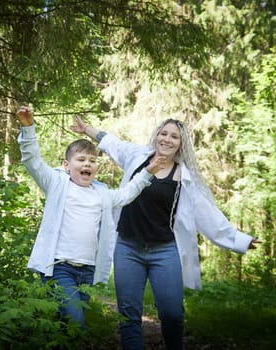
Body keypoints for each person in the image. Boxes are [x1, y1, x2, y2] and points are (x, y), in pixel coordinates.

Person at [71, 115, 260, 349]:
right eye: (163, 133)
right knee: (129, 315)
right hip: (128, 248)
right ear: (156, 135)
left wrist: (240, 240)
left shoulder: (184, 178)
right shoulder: (138, 156)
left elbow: (209, 216)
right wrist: (86, 129)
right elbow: (112, 142)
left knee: (172, 313)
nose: (167, 139)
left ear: (181, 144)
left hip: (164, 251)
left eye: (174, 136)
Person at [15, 106, 166, 330]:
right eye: (81, 160)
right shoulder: (56, 184)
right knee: (76, 324)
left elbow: (127, 193)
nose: (87, 164)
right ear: (67, 166)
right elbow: (32, 160)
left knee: (65, 330)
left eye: (92, 161)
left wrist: (147, 172)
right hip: (59, 267)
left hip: (86, 271)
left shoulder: (102, 194)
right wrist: (28, 128)